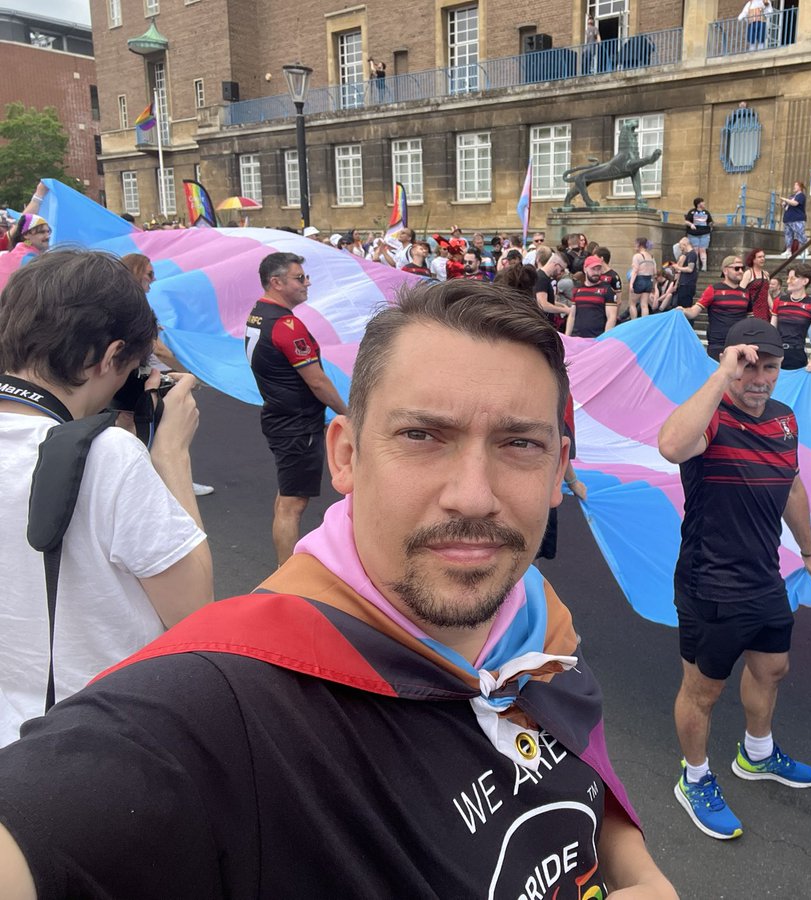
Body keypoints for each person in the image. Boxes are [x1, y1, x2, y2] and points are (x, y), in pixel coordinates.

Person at [0, 281, 677, 898]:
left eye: (519, 445)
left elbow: (576, 770)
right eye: (421, 435)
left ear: (559, 468)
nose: (474, 495)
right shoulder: (233, 700)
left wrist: (640, 874)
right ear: (347, 456)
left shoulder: (532, 611)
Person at [0, 249, 212, 746]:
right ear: (112, 355)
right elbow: (194, 615)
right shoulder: (106, 456)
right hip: (92, 744)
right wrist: (171, 455)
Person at [658, 316, 811, 841]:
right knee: (703, 690)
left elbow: (792, 488)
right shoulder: (710, 417)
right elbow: (671, 445)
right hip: (711, 584)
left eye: (770, 368)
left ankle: (756, 754)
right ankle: (695, 778)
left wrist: (809, 551)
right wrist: (719, 376)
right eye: (747, 367)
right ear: (728, 365)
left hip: (765, 578)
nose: (760, 378)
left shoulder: (785, 419)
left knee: (773, 667)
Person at [245, 252, 350, 566]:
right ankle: (285, 573)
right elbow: (317, 382)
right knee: (293, 505)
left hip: (280, 417)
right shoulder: (286, 325)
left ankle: (284, 569)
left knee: (286, 499)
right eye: (299, 278)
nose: (307, 283)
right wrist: (348, 413)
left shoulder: (258, 313)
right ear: (276, 283)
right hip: (296, 423)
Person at [119, 253, 215, 497]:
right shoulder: (137, 306)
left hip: (128, 376)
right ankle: (172, 479)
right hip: (141, 376)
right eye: (149, 274)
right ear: (137, 273)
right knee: (168, 424)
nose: (154, 279)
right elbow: (157, 348)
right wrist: (187, 368)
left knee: (135, 427)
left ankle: (147, 481)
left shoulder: (121, 303)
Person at [682, 255, 751, 360]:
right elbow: (693, 312)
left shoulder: (746, 293)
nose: (741, 271)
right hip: (718, 346)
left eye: (743, 268)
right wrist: (681, 311)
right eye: (736, 268)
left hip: (740, 344)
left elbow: (750, 319)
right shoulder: (713, 290)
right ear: (725, 270)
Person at [772, 264, 811, 372]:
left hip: (797, 355)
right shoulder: (779, 301)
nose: (788, 281)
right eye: (788, 278)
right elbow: (772, 328)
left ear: (805, 281)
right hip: (776, 353)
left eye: (793, 278)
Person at [566, 255, 617, 338]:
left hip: (597, 338)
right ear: (585, 269)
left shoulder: (607, 290)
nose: (596, 273)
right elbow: (572, 315)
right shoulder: (577, 290)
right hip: (577, 338)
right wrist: (567, 337)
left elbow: (611, 317)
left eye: (599, 269)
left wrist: (604, 340)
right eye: (593, 269)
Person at [534, 251, 573, 324]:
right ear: (556, 265)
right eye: (562, 269)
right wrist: (565, 310)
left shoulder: (545, 277)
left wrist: (562, 306)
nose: (561, 273)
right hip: (541, 323)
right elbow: (543, 305)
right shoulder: (542, 278)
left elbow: (548, 300)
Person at [740, 248, 771, 321]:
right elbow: (741, 292)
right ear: (753, 259)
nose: (762, 259)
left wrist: (773, 309)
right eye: (759, 257)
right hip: (752, 312)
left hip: (764, 311)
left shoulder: (766, 274)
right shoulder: (748, 274)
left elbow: (767, 294)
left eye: (763, 257)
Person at [630, 237, 656, 319]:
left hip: (639, 280)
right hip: (648, 281)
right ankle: (644, 323)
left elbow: (635, 271)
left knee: (632, 304)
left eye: (636, 244)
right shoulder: (651, 257)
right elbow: (655, 272)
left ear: (640, 245)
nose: (635, 245)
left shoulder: (637, 256)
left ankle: (633, 323)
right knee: (644, 305)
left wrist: (631, 284)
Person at [684, 198, 713, 271]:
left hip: (704, 233)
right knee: (695, 250)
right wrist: (691, 225)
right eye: (703, 203)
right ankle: (695, 266)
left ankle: (704, 266)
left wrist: (711, 225)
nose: (704, 204)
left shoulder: (706, 212)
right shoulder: (692, 212)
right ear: (699, 204)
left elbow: (710, 221)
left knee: (703, 250)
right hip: (693, 233)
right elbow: (686, 221)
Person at [780, 179, 807, 256]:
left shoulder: (801, 196)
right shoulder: (792, 196)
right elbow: (787, 204)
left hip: (797, 218)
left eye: (796, 185)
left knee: (800, 233)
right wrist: (784, 203)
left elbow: (795, 203)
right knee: (788, 234)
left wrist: (785, 199)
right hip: (788, 218)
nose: (794, 187)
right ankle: (788, 250)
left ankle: (805, 249)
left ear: (800, 187)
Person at [674, 236, 699, 308]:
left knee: (685, 306)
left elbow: (690, 269)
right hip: (683, 284)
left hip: (688, 284)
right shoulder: (686, 254)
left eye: (680, 246)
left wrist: (678, 267)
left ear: (685, 244)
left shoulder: (692, 254)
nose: (680, 248)